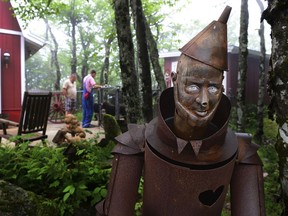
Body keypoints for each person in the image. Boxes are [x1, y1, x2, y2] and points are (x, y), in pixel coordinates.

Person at [96, 6, 265, 216]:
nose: (204, 101)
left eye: (212, 88)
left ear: (222, 87)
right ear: (175, 80)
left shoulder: (241, 151)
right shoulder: (136, 141)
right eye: (193, 86)